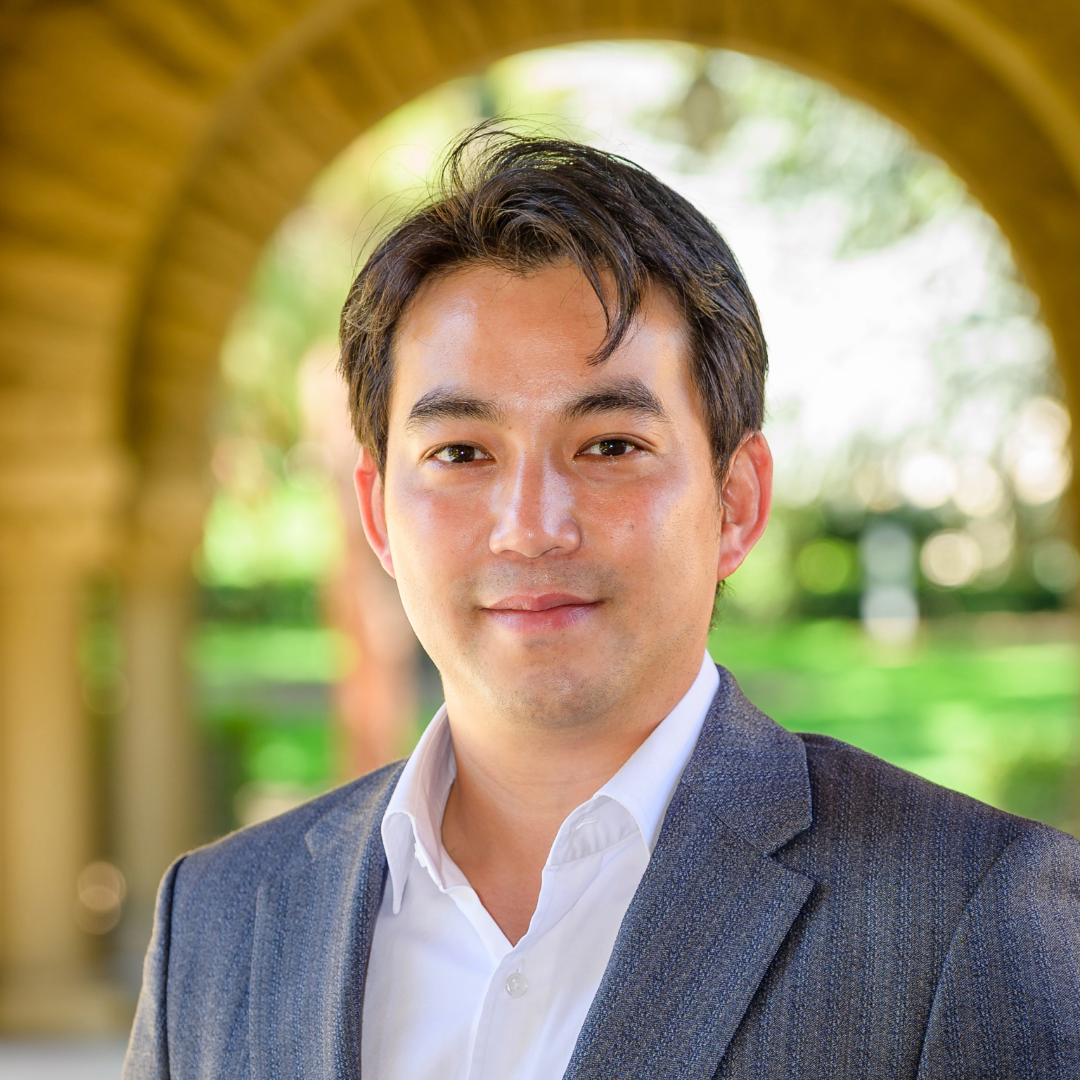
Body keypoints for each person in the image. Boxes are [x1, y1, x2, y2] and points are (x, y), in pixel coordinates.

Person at [124, 128, 1080, 1080]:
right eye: (460, 453)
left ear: (736, 502)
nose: (530, 528)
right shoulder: (214, 922)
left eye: (611, 446)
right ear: (378, 514)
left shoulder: (970, 912)